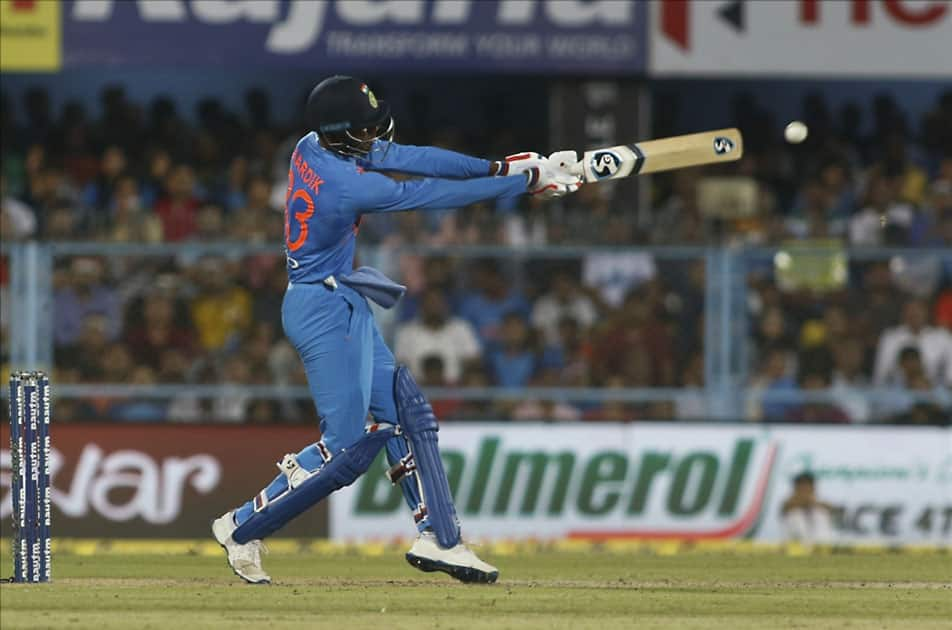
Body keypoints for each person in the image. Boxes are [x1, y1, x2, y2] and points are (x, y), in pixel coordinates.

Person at [212, 76, 581, 584]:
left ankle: (440, 538)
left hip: (339, 297)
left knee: (406, 413)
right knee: (343, 450)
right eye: (364, 128)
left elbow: (418, 157)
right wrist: (524, 181)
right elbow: (431, 193)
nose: (375, 135)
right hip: (321, 307)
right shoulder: (347, 185)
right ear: (342, 133)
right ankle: (241, 526)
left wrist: (504, 166)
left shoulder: (312, 145)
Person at [780, 472, 835, 545]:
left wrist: (814, 503)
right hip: (794, 551)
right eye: (802, 487)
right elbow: (785, 507)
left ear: (813, 488)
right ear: (796, 488)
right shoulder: (789, 507)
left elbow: (833, 509)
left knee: (821, 515)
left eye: (808, 487)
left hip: (821, 550)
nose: (805, 490)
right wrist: (808, 501)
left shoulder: (820, 509)